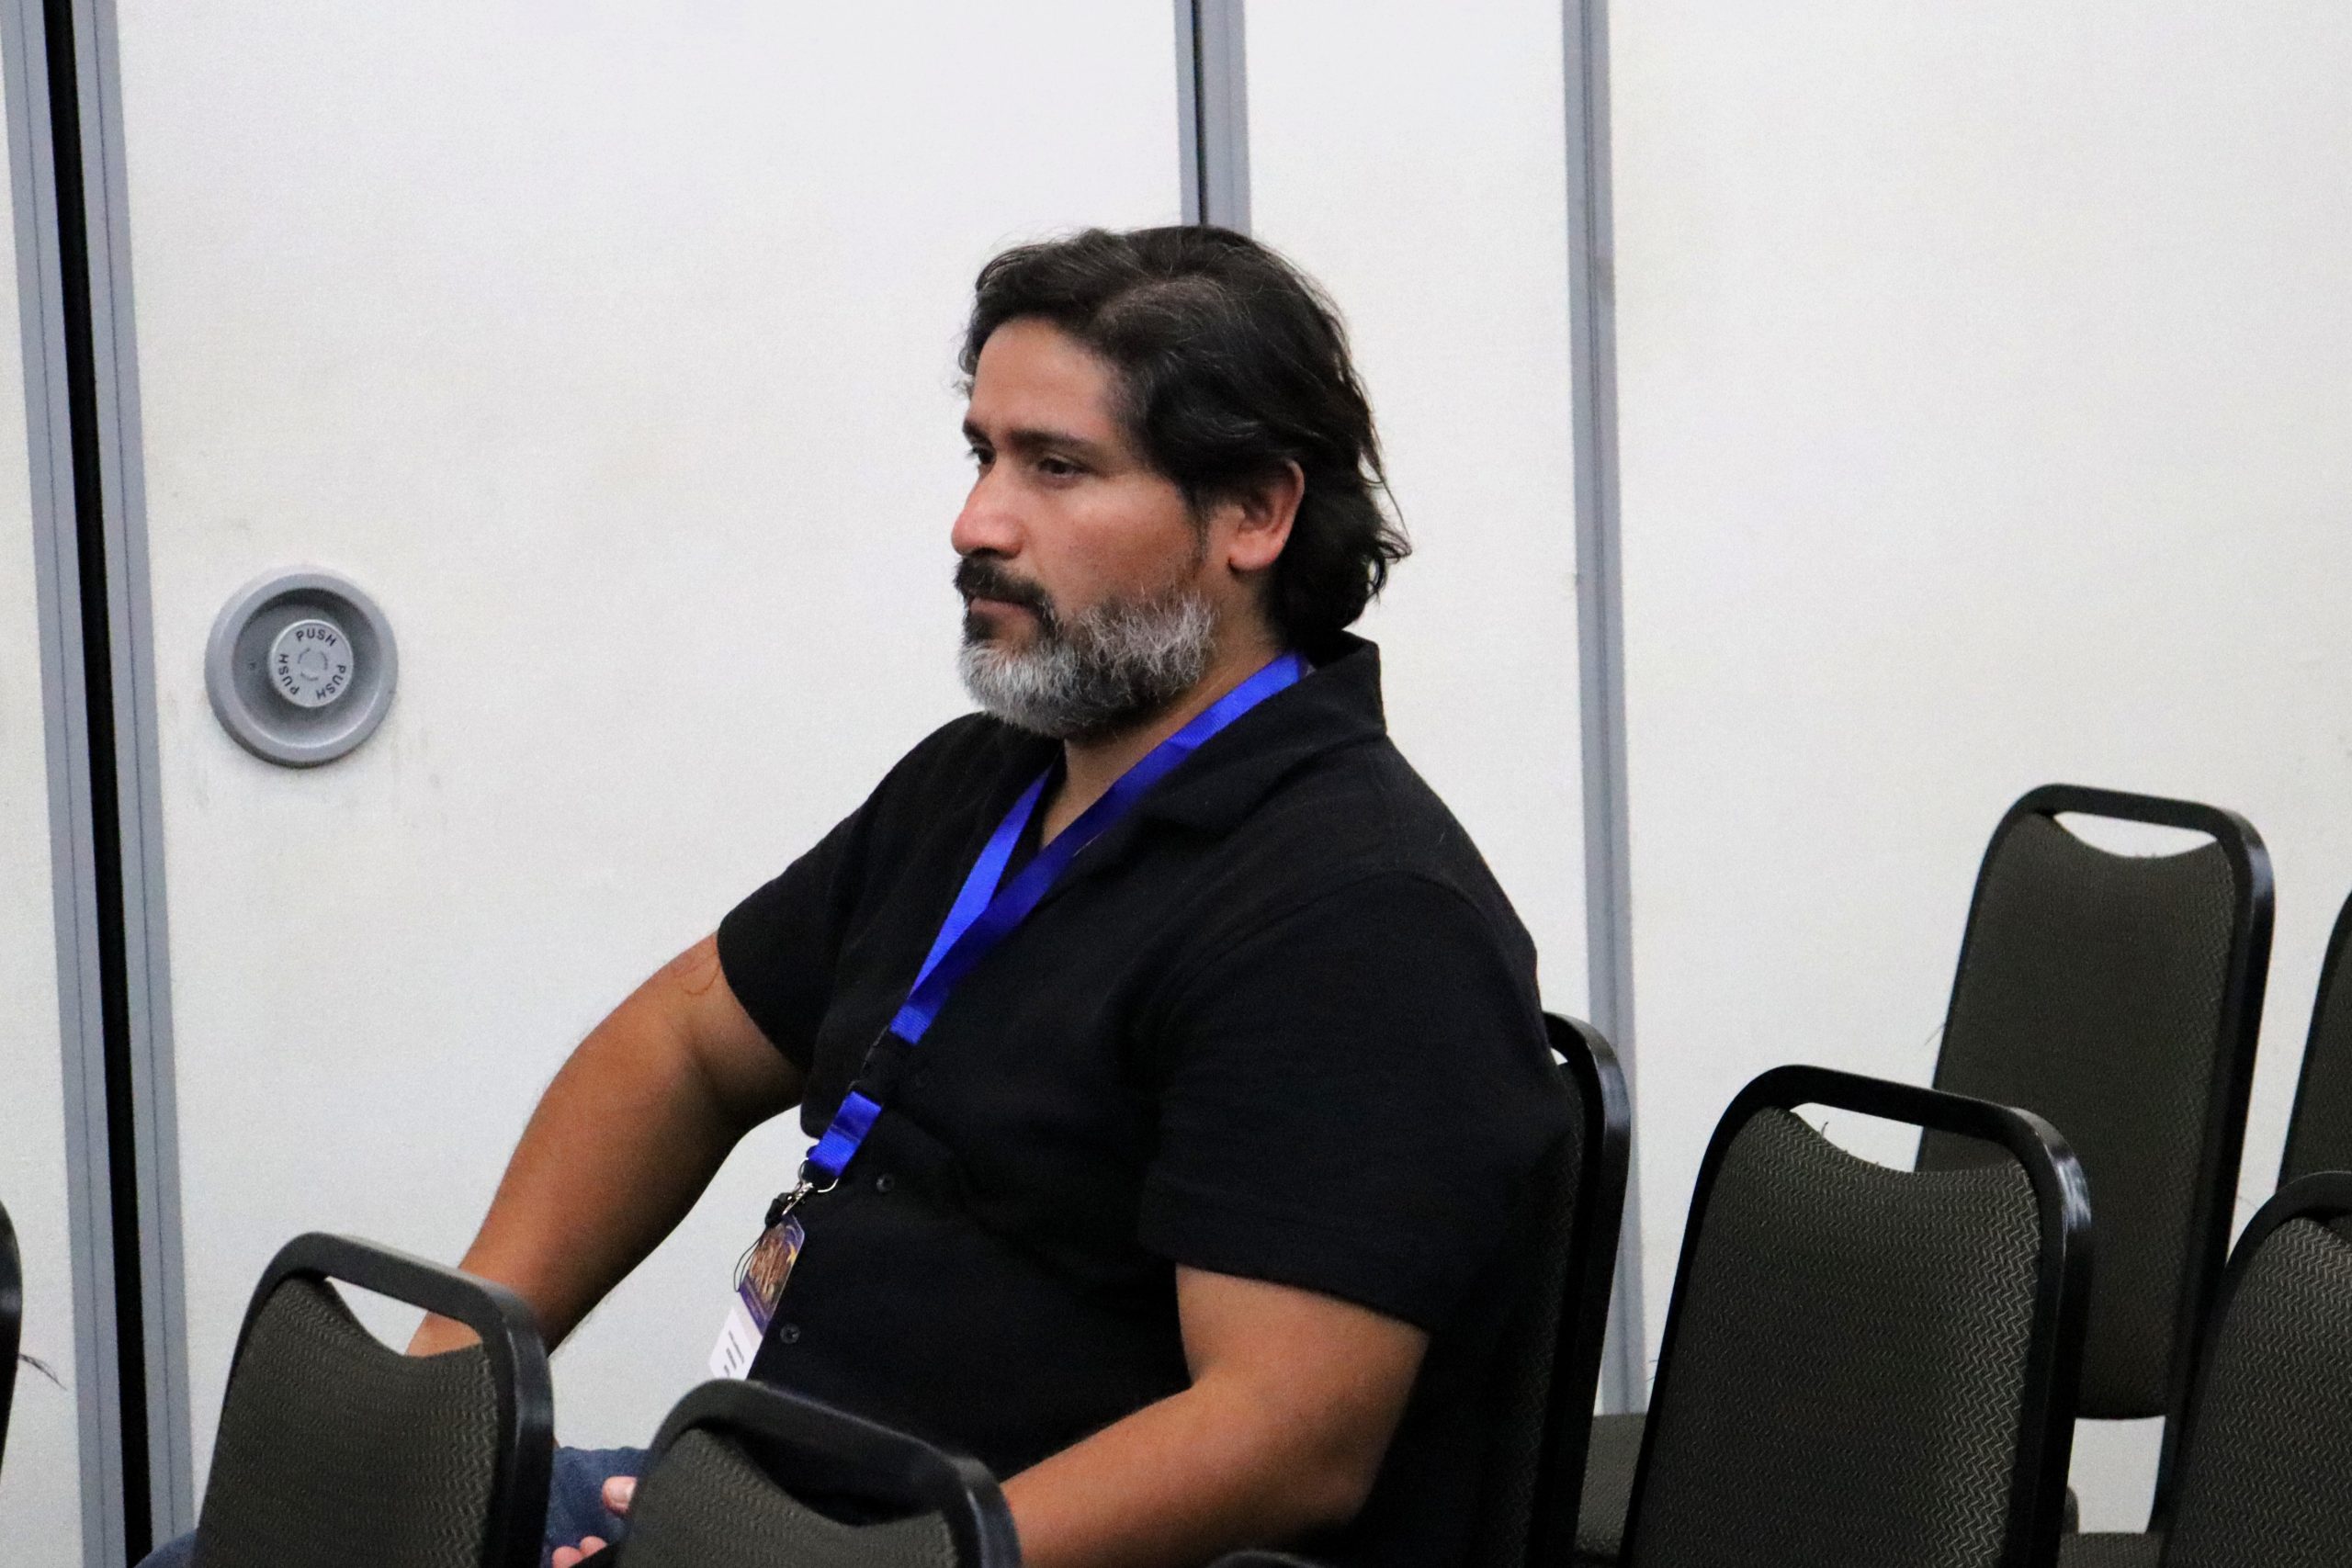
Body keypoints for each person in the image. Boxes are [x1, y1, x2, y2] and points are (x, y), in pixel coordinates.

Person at [144, 225, 1570, 1568]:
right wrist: (445, 1406)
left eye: (1057, 468)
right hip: (778, 1504)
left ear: (1254, 512)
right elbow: (684, 1045)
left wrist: (854, 1563)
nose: (976, 521)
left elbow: (1283, 1439)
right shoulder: (986, 783)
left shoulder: (1359, 912)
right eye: (982, 454)